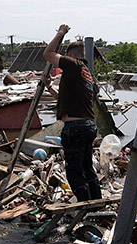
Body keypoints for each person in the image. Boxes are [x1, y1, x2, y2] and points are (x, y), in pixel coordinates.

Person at [43, 24, 102, 202]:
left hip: (75, 128)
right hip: (87, 126)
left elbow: (48, 54)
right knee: (86, 168)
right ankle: (96, 204)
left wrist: (60, 32)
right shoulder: (85, 73)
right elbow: (65, 100)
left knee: (74, 171)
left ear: (69, 55)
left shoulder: (72, 65)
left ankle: (85, 206)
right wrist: (49, 87)